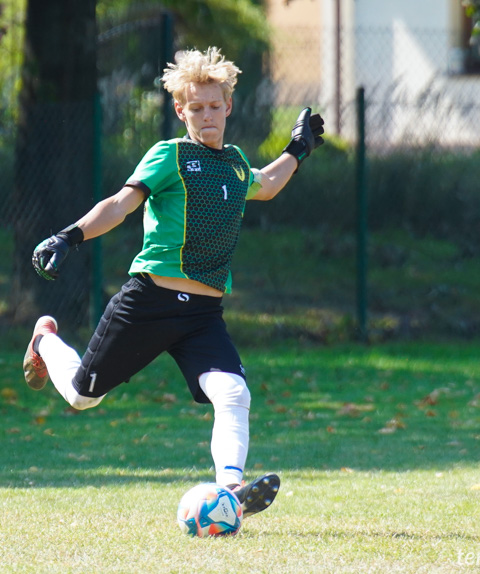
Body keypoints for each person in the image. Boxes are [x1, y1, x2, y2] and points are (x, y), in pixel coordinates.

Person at [23, 46, 324, 518]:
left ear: (228, 106)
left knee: (233, 392)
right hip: (150, 302)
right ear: (181, 110)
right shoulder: (169, 156)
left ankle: (232, 491)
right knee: (83, 396)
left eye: (214, 106)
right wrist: (70, 235)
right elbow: (121, 205)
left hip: (203, 315)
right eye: (196, 108)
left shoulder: (235, 162)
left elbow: (264, 184)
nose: (207, 115)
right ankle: (44, 341)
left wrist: (298, 149)